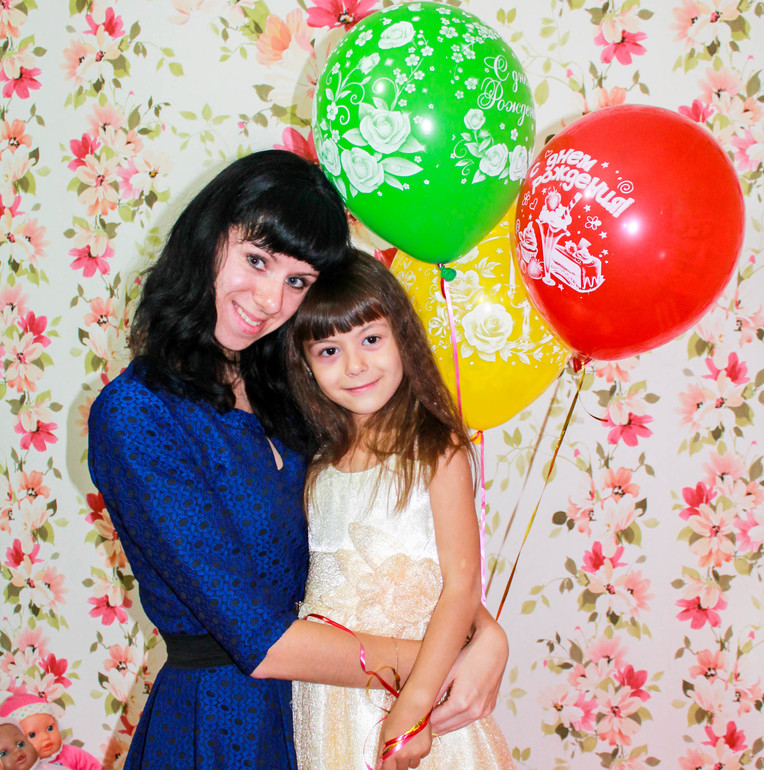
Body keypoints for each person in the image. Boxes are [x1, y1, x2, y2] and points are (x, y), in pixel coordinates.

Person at [87, 150, 509, 770]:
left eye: (297, 281)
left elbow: (383, 545)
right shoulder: (138, 414)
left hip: (332, 714)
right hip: (225, 724)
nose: (268, 299)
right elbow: (259, 641)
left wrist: (487, 636)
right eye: (257, 260)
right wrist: (434, 666)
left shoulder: (293, 394)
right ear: (207, 237)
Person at [286, 250, 513, 769]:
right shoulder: (316, 465)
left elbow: (460, 584)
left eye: (370, 339)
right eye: (329, 350)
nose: (355, 365)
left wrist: (414, 705)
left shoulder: (436, 449)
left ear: (402, 337)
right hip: (329, 696)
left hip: (417, 689)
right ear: (306, 365)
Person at [0, 696, 100, 770]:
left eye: (50, 728)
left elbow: (94, 767)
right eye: (32, 735)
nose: (45, 737)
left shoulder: (70, 754)